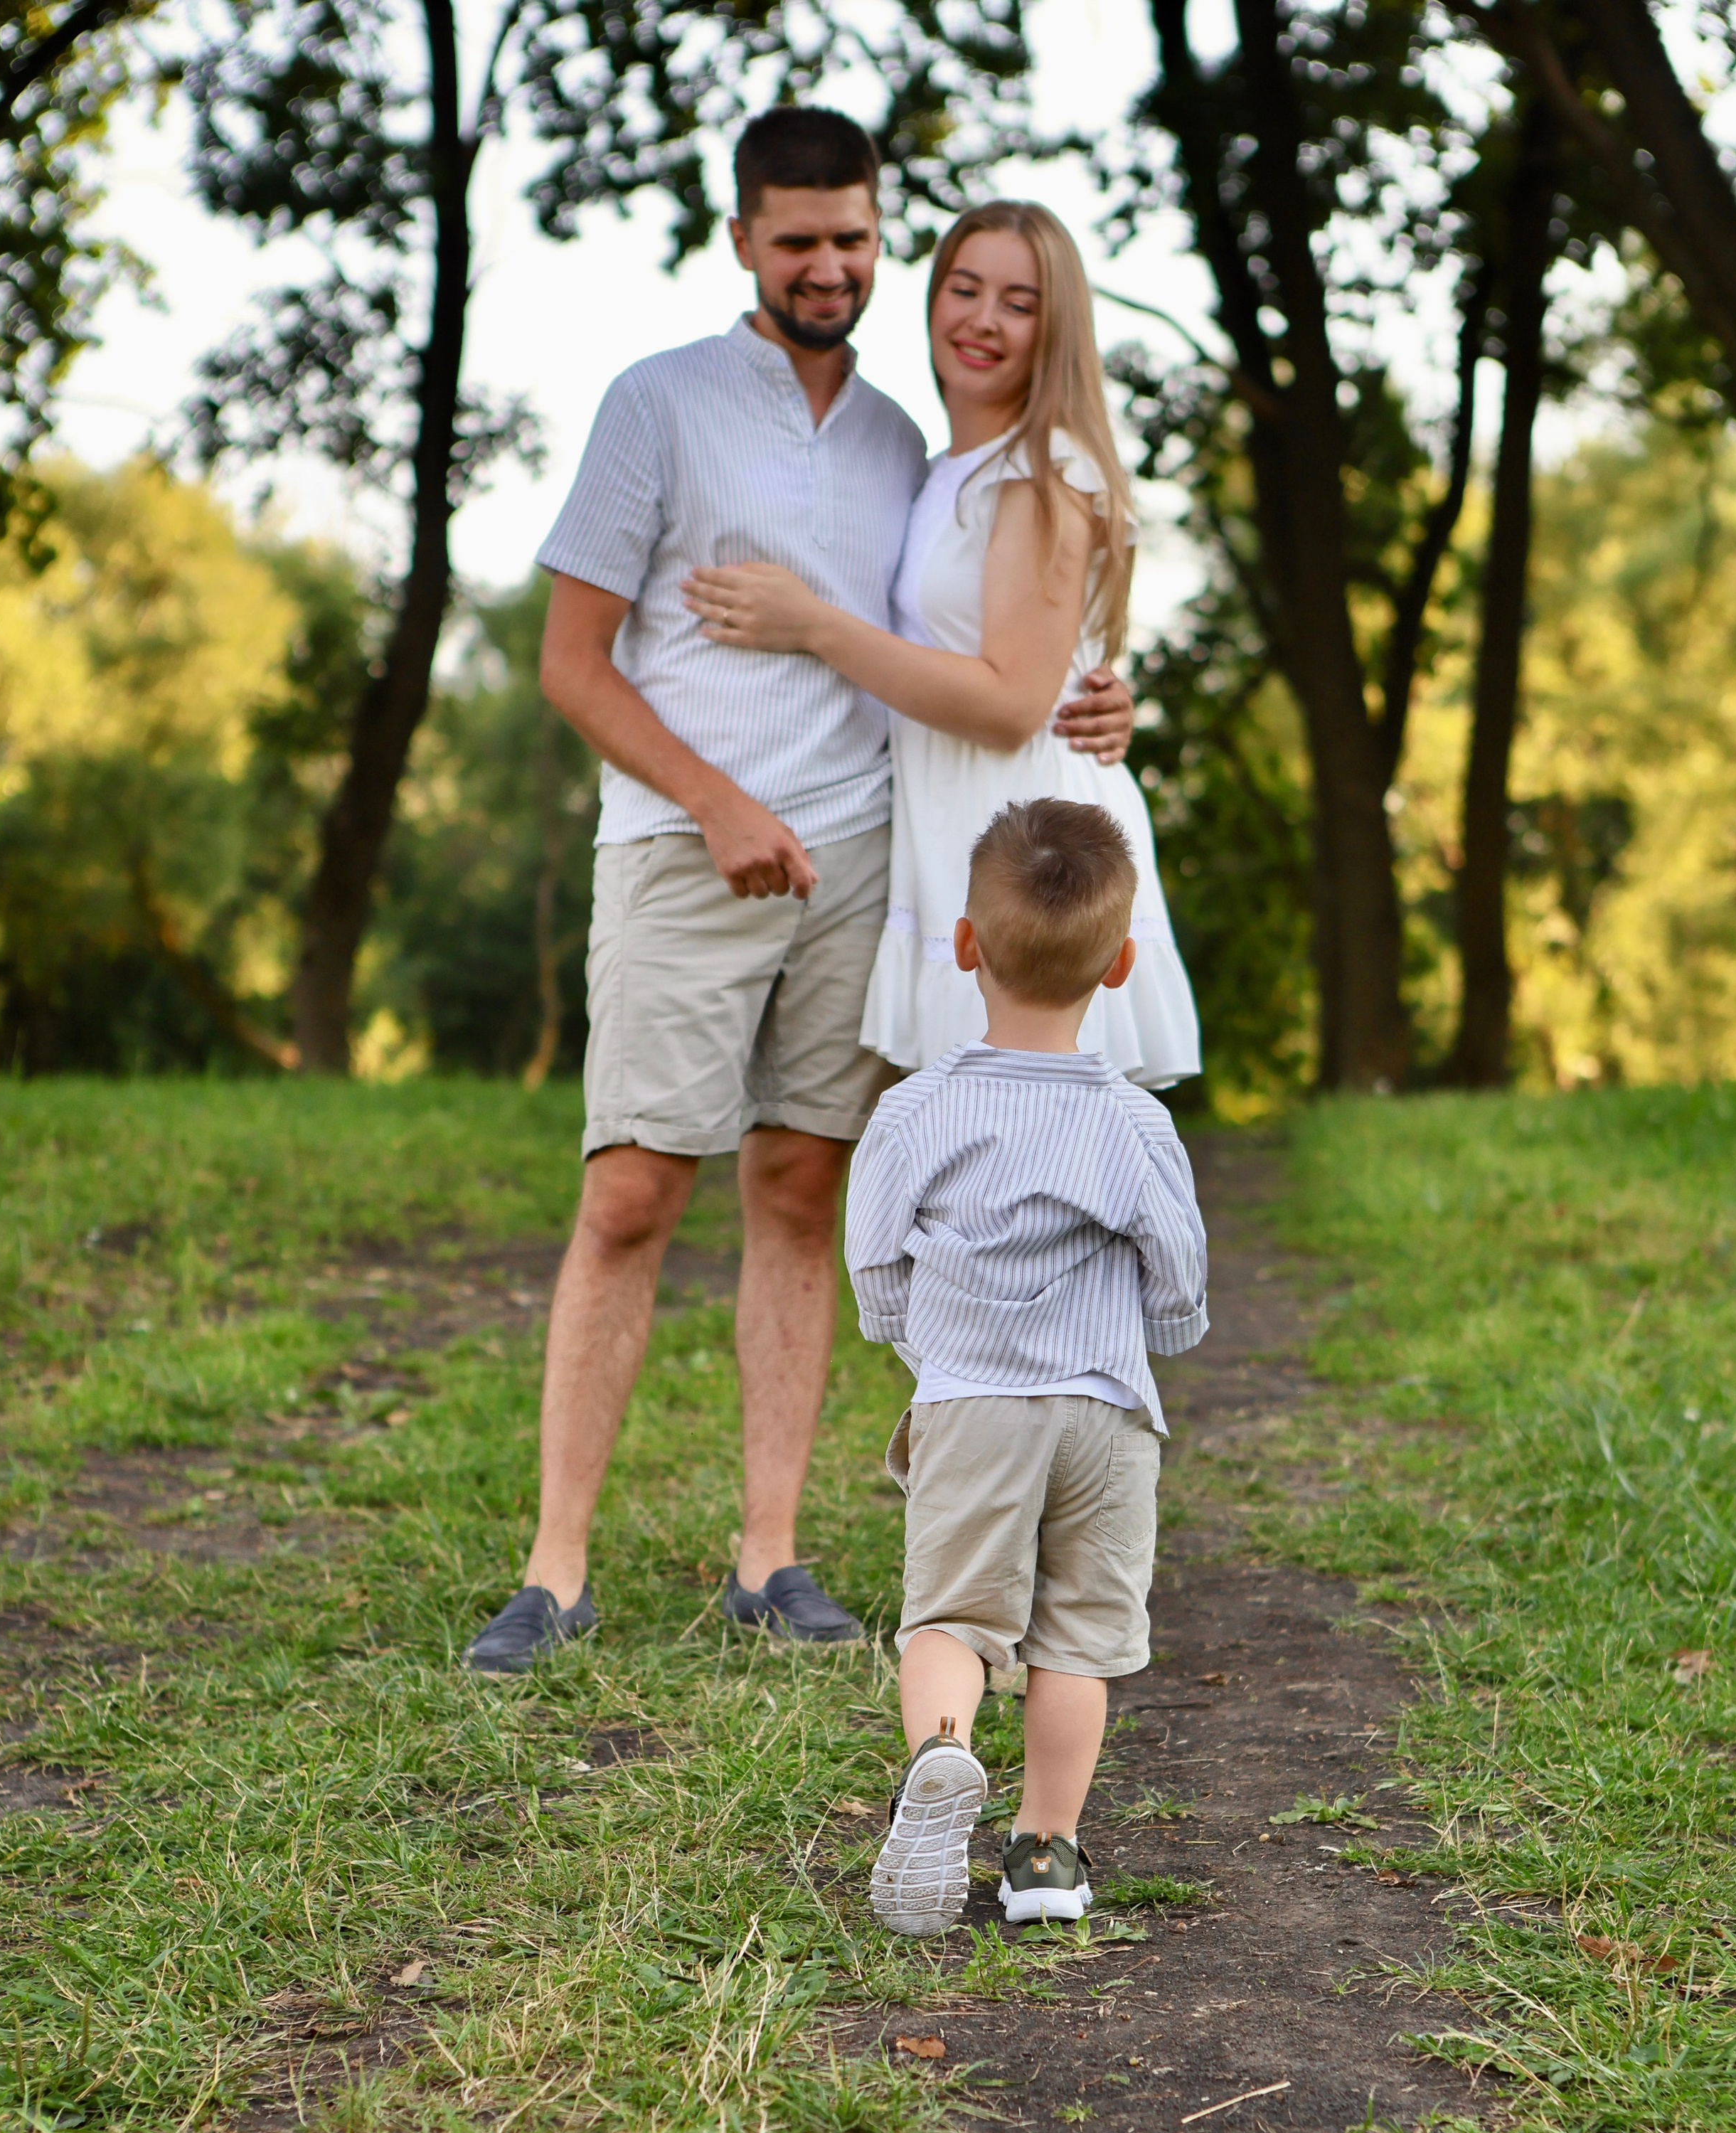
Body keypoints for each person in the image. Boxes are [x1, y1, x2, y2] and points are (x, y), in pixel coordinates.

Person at [463, 110, 1134, 1675]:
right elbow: (572, 664)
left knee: (798, 1191)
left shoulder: (913, 440)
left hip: (865, 868)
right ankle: (554, 1569)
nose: (825, 266)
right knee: (630, 1190)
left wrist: (1098, 700)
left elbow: (990, 633)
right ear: (742, 243)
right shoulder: (657, 407)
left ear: (872, 234)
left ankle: (767, 1558)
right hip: (682, 852)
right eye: (794, 240)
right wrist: (715, 804)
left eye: (850, 237)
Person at [684, 199, 1200, 1089]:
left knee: (1030, 1177)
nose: (982, 321)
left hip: (1030, 849)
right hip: (951, 834)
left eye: (1019, 302)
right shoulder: (938, 471)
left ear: (1055, 329)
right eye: (964, 289)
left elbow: (1008, 707)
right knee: (963, 1174)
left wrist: (811, 624)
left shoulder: (1041, 472)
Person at [844, 799, 1208, 1937]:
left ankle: (942, 1759)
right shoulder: (1137, 1125)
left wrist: (932, 1349)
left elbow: (873, 1267)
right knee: (1079, 1640)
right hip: (1105, 1415)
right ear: (1121, 965)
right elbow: (1181, 1279)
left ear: (965, 945)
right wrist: (1160, 1334)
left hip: (972, 1405)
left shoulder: (916, 1111)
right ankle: (1046, 1855)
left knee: (952, 1615)